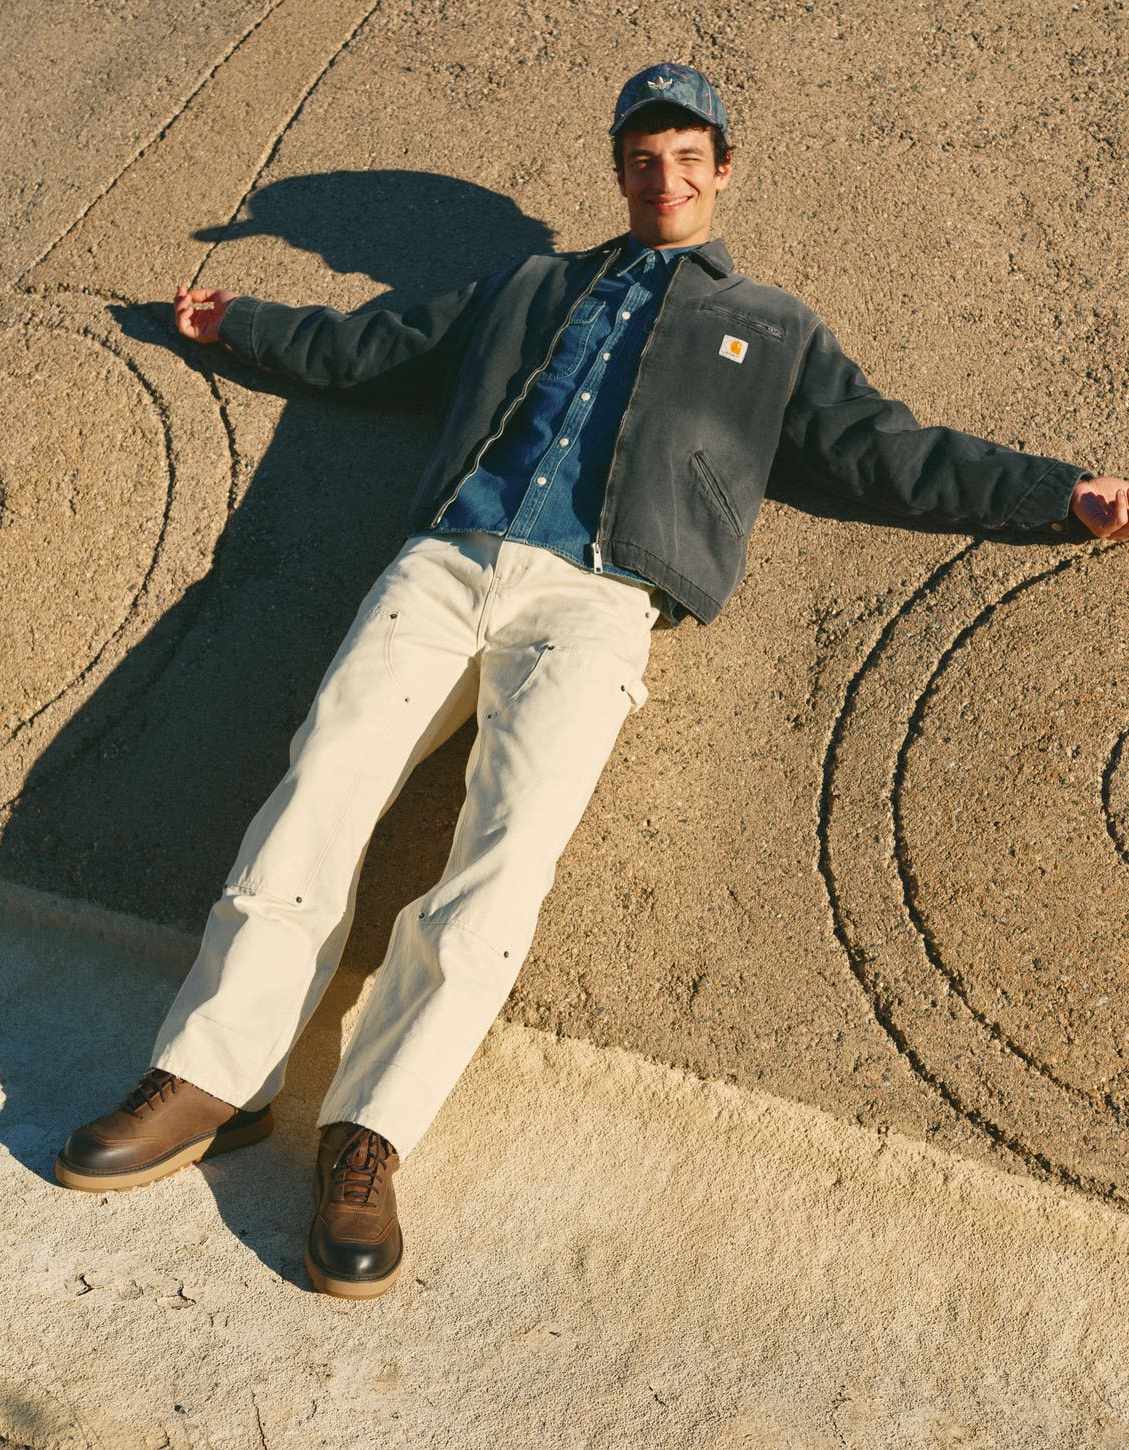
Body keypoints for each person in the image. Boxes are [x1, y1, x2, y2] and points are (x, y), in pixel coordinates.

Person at [55, 63, 1129, 1299]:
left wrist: (1057, 494)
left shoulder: (770, 328)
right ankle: (214, 1073)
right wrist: (238, 322)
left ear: (721, 170)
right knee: (320, 786)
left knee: (505, 855)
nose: (662, 180)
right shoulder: (529, 285)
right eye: (640, 160)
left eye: (686, 160)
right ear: (617, 171)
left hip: (601, 597)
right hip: (448, 561)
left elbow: (886, 450)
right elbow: (370, 346)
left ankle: (371, 1134)